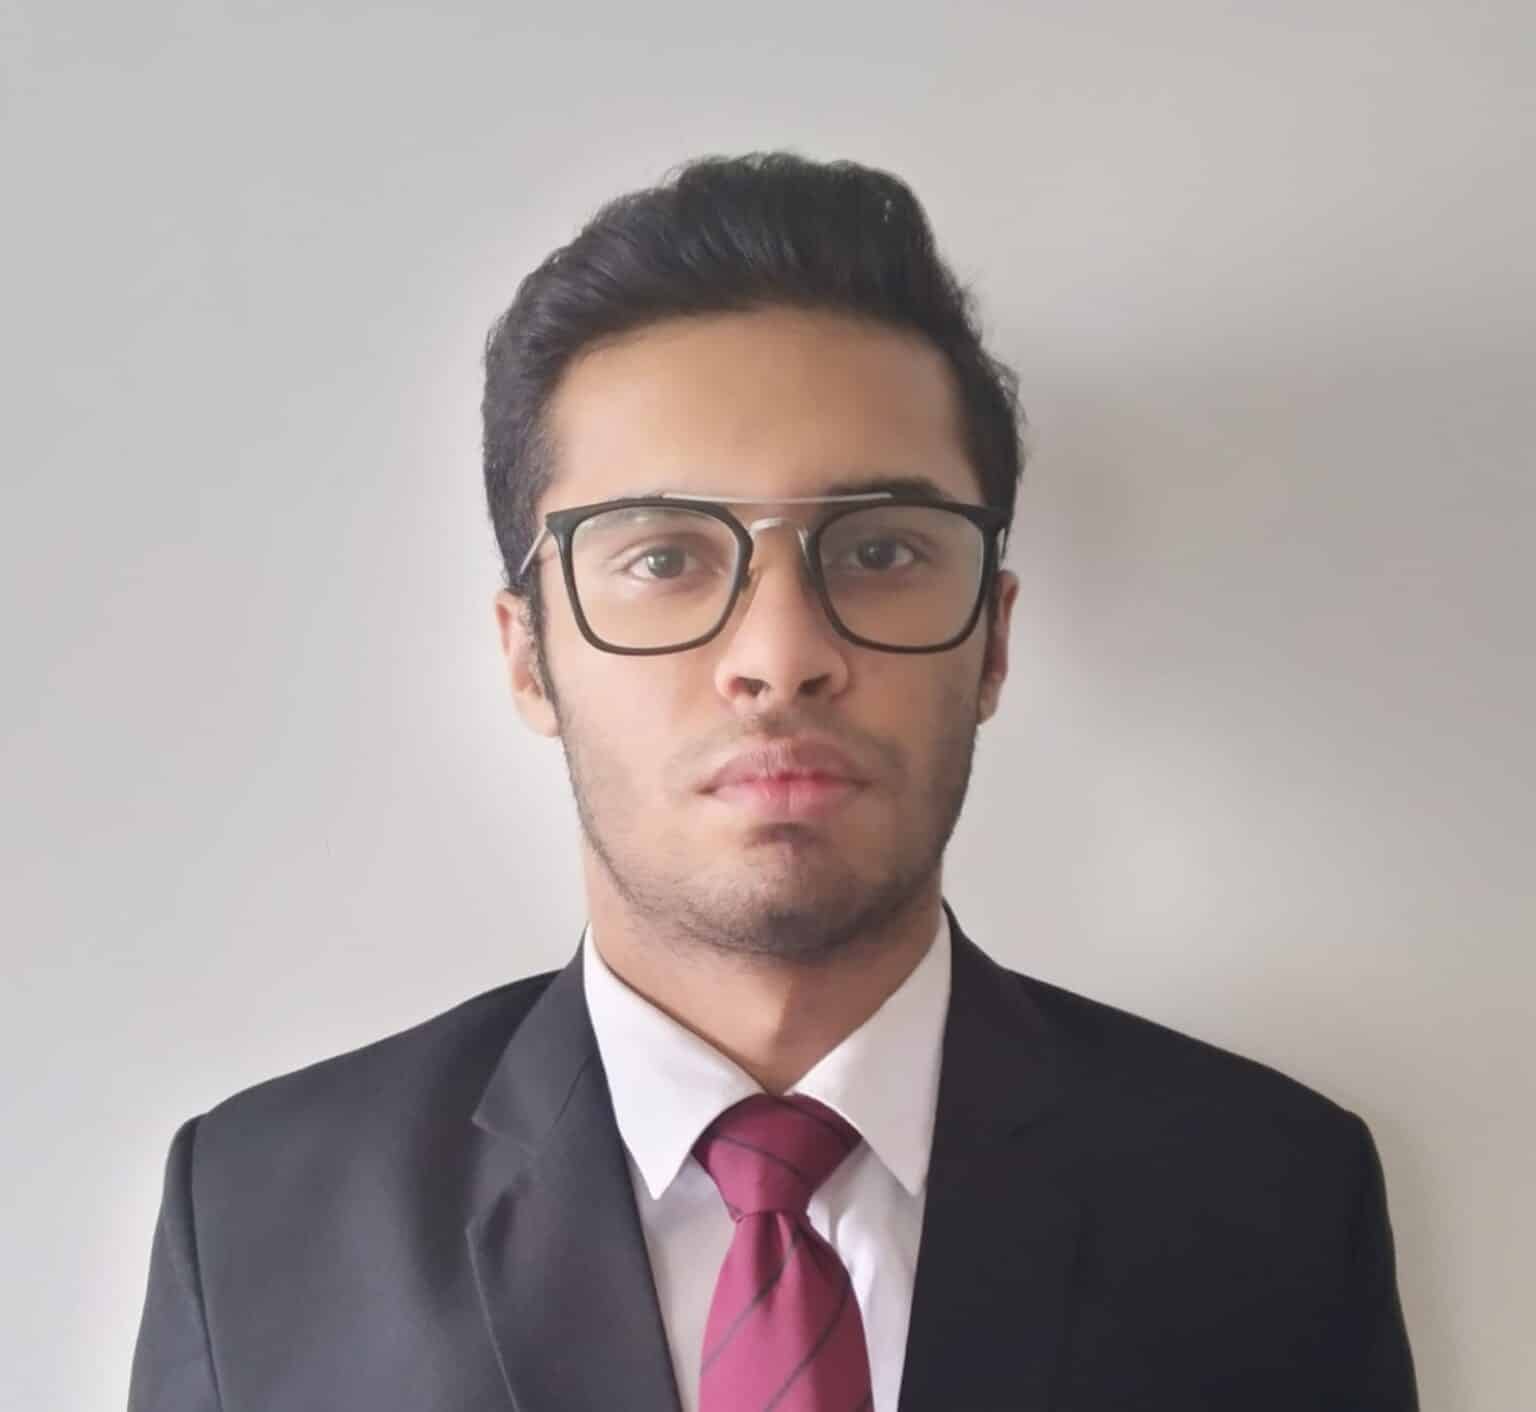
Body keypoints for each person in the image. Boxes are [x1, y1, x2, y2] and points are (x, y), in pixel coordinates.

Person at [127, 152, 1419, 1411]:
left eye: (882, 550)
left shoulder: (1271, 1200)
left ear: (992, 641)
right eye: (663, 557)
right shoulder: (255, 1221)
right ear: (529, 657)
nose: (781, 655)